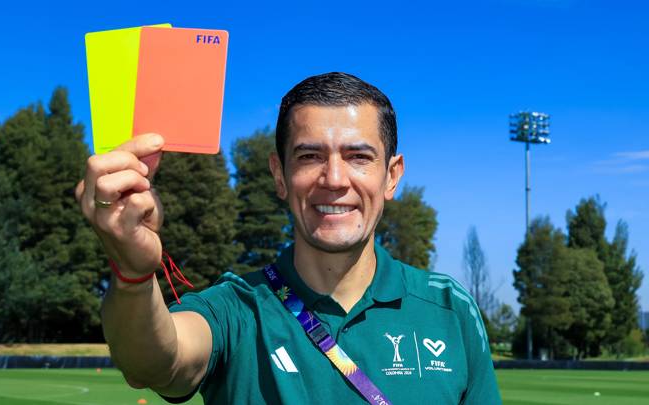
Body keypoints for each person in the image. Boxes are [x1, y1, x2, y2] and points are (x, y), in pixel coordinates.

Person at [75, 72, 502, 404]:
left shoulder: (449, 309)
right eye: (310, 156)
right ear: (280, 175)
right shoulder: (237, 307)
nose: (334, 179)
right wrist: (132, 271)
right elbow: (154, 362)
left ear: (391, 176)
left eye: (358, 157)